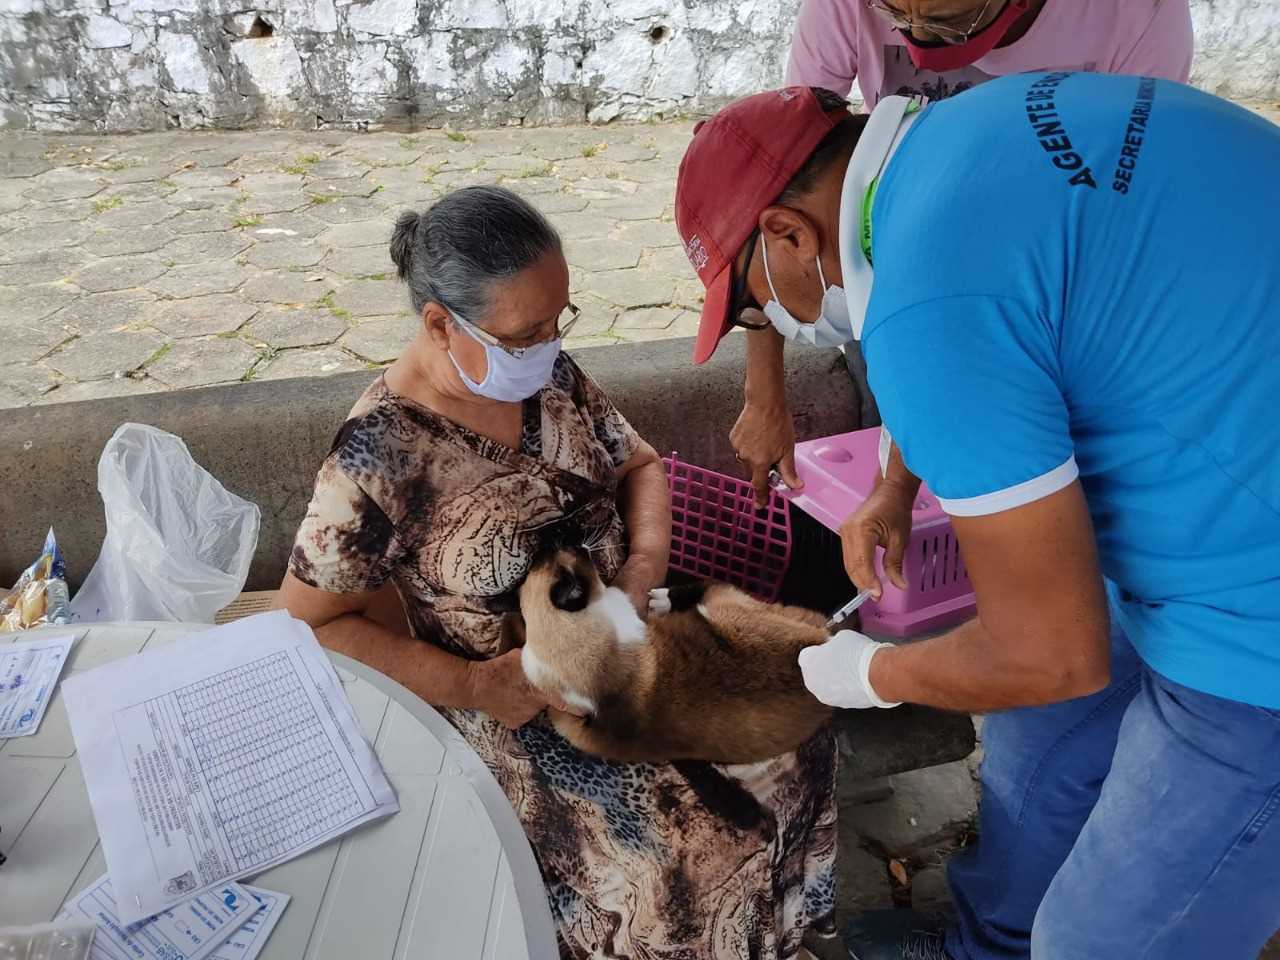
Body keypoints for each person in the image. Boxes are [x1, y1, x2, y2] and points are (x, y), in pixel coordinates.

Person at [673, 79, 1280, 959]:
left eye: (755, 306)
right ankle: (988, 946)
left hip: (1254, 613)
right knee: (1039, 744)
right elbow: (1010, 317)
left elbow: (1050, 653)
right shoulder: (959, 137)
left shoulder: (928, 313)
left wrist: (874, 673)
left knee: (1096, 940)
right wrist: (894, 488)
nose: (774, 322)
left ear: (790, 234)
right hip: (1221, 474)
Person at [279, 185, 840, 959]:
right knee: (692, 847)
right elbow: (311, 623)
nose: (548, 345)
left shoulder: (544, 374)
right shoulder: (378, 458)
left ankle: (770, 937)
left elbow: (639, 463)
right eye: (526, 333)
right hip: (523, 699)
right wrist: (474, 685)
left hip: (634, 628)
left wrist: (641, 570)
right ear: (440, 324)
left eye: (557, 321)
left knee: (803, 707)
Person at [728, 0, 1194, 513]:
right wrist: (766, 393)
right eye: (892, 14)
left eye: (949, 22)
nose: (919, 43)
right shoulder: (844, 5)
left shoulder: (1137, 16)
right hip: (905, 279)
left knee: (1050, 491)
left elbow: (1125, 215)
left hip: (1062, 299)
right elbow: (782, 179)